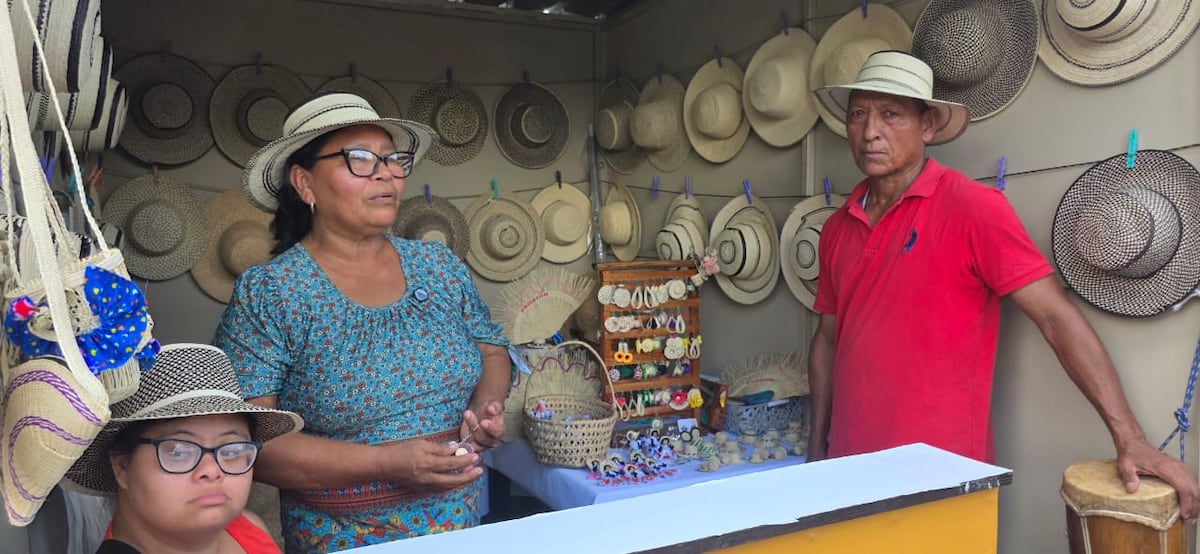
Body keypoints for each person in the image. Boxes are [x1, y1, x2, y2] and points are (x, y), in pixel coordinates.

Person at [807, 51, 1200, 520]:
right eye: (858, 113)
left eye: (890, 114)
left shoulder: (973, 208)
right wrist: (817, 449)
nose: (871, 131)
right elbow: (828, 340)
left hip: (943, 477)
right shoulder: (836, 228)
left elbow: (1056, 317)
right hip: (848, 470)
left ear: (927, 125)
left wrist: (1130, 438)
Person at [213, 92, 511, 552]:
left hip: (460, 526)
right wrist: (388, 463)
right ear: (304, 183)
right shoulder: (272, 293)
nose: (387, 172)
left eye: (393, 159)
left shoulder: (439, 265)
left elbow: (491, 349)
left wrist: (485, 413)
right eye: (359, 159)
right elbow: (251, 445)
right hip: (344, 539)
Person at [63, 343, 303, 554]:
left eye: (231, 451)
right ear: (122, 466)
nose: (211, 470)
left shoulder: (247, 527)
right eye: (178, 452)